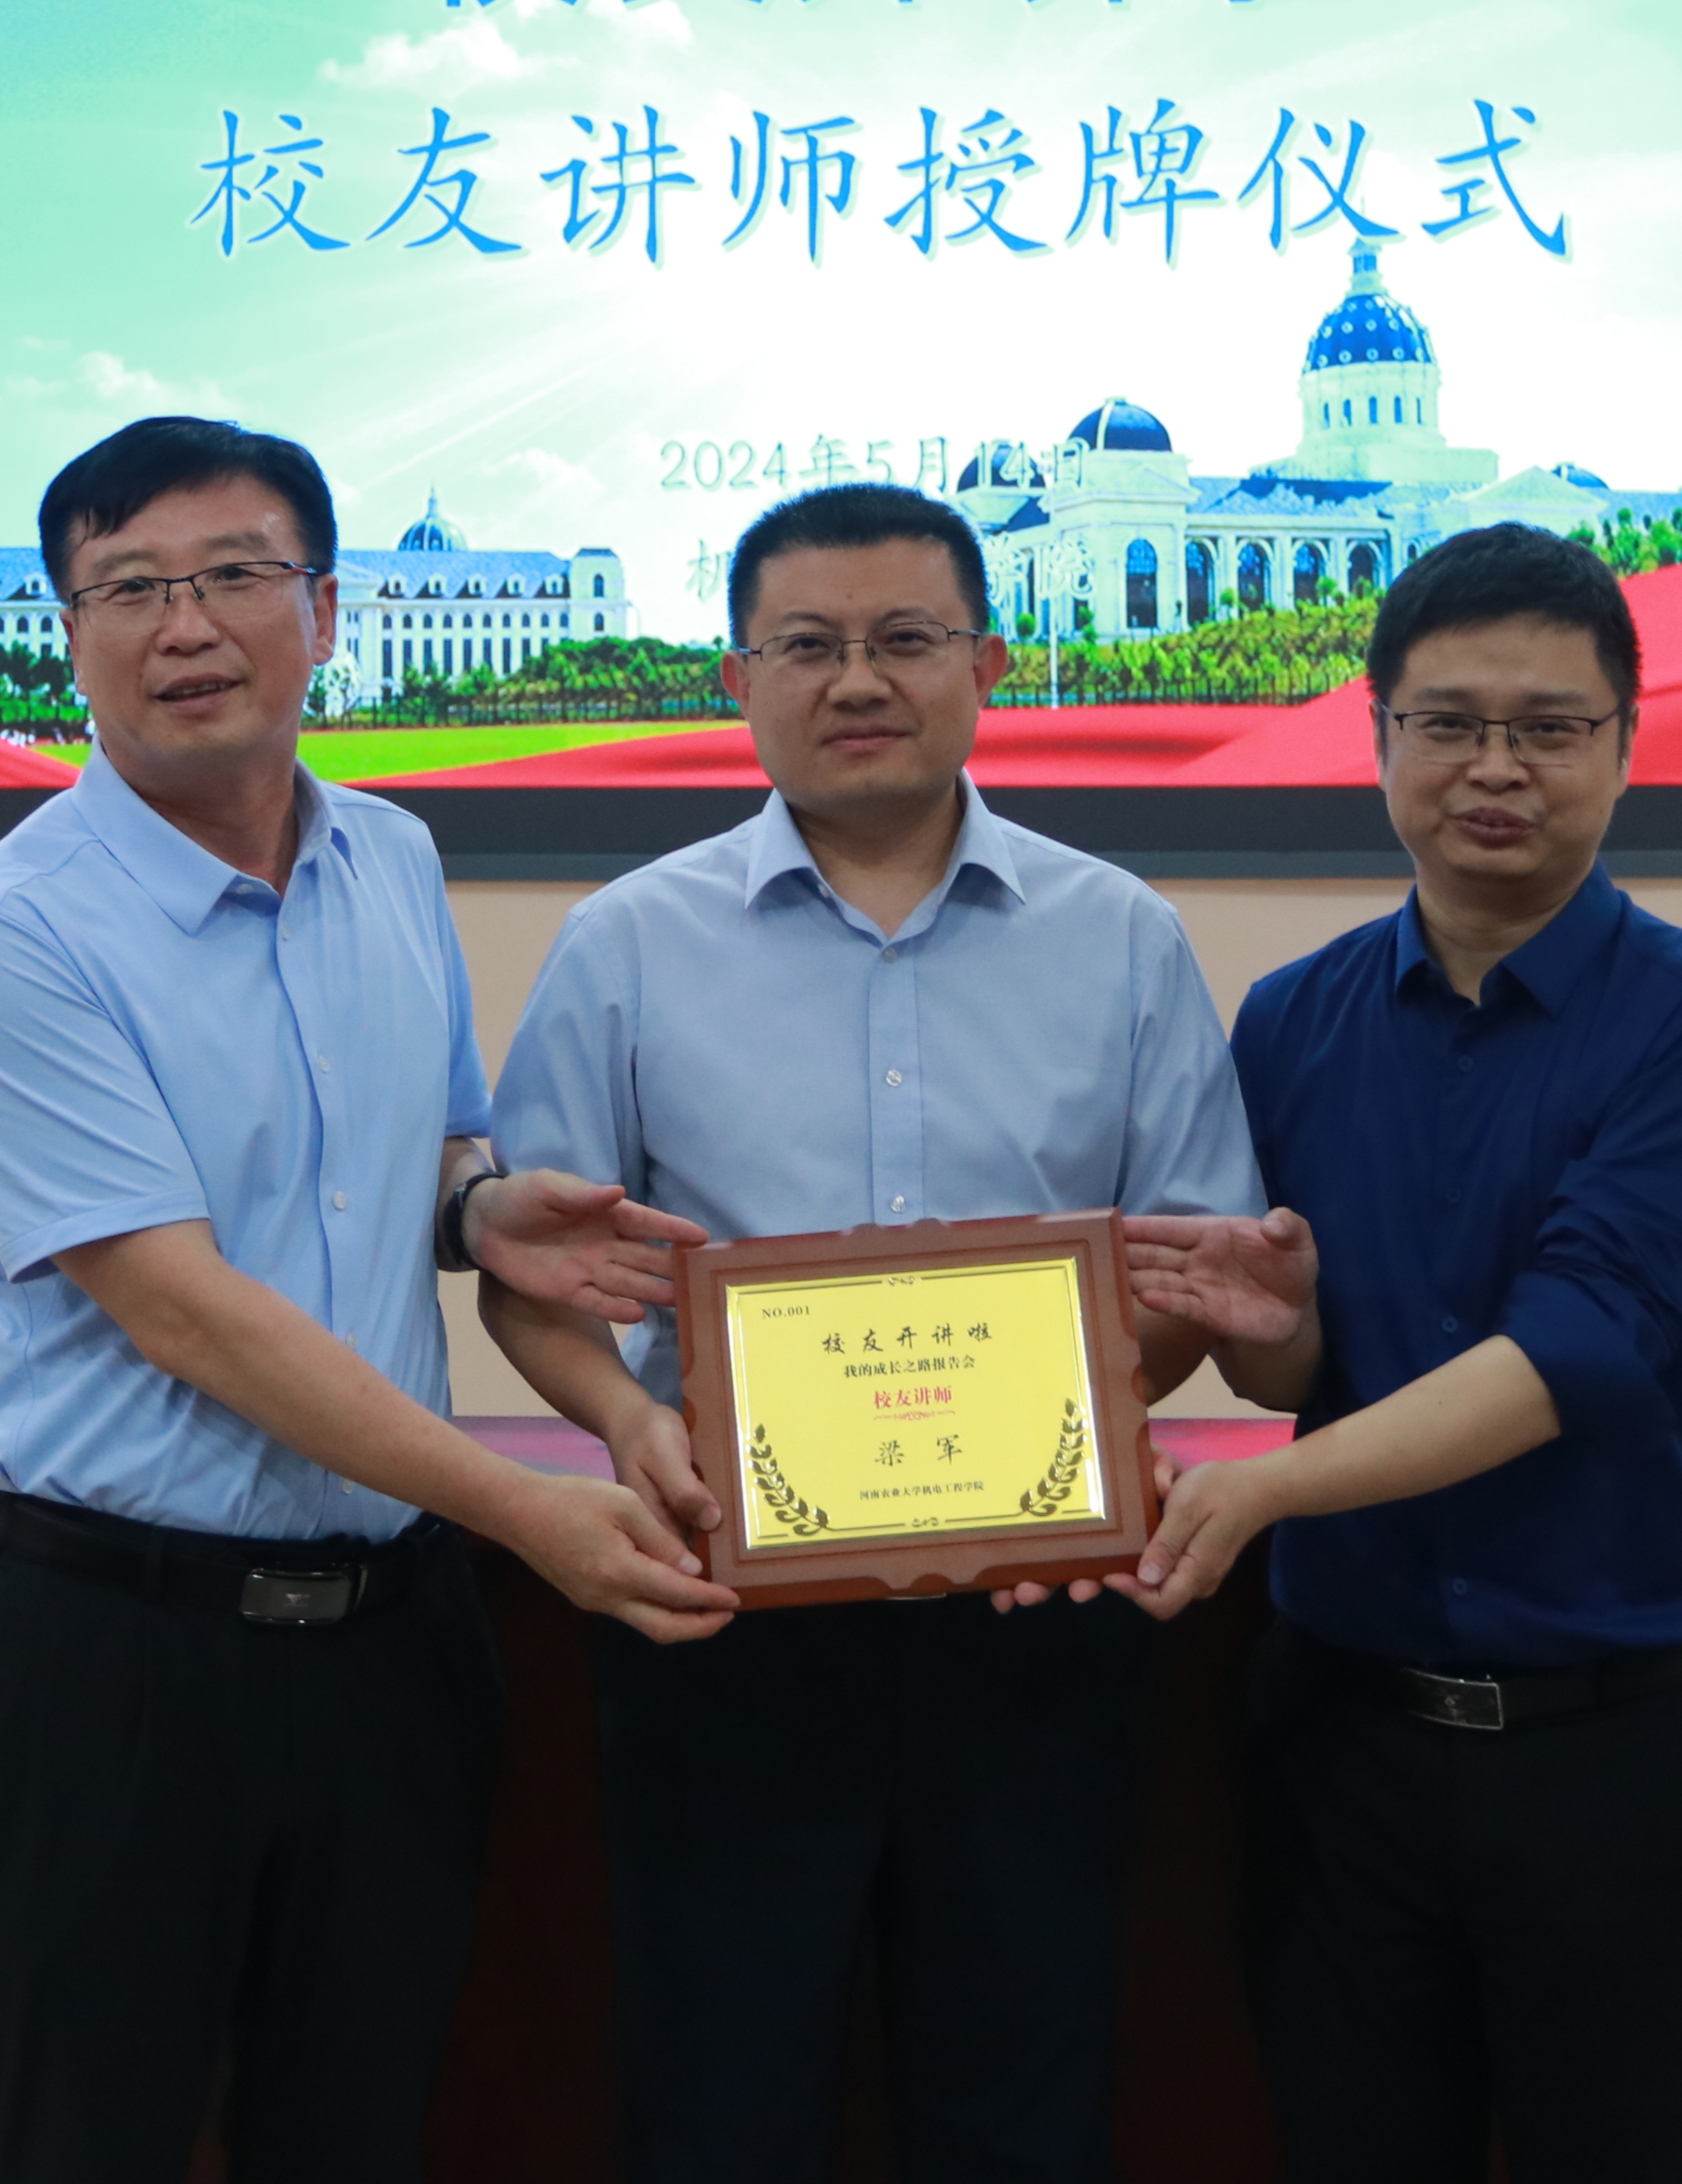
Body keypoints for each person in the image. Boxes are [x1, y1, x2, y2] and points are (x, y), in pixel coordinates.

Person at [0, 416, 737, 2184]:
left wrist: (484, 1211)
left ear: (328, 609)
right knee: (87, 2143)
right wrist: (528, 1512)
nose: (184, 625)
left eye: (234, 575)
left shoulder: (394, 860)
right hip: (120, 1652)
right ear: (70, 631)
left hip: (391, 1639)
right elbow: (183, 1309)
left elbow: (418, 1152)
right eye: (128, 588)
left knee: (358, 2128)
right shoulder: (6, 935)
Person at [479, 484, 1265, 2184]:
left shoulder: (1121, 938)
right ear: (737, 677)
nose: (856, 680)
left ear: (986, 663)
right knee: (720, 2097)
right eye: (807, 645)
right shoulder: (626, 943)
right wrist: (632, 1427)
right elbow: (536, 1281)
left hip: (1035, 1624)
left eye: (904, 638)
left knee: (1019, 2098)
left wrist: (1077, 1436)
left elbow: (1191, 1270)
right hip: (725, 1618)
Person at [1117, 523, 1682, 2184]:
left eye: (1548, 726)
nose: (1494, 768)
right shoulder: (1291, 1019)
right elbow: (1291, 1375)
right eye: (1446, 723)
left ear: (1624, 746)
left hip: (1615, 1756)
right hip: (1338, 1741)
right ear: (1377, 738)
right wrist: (1279, 1333)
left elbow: (1567, 1356)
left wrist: (1253, 1499)